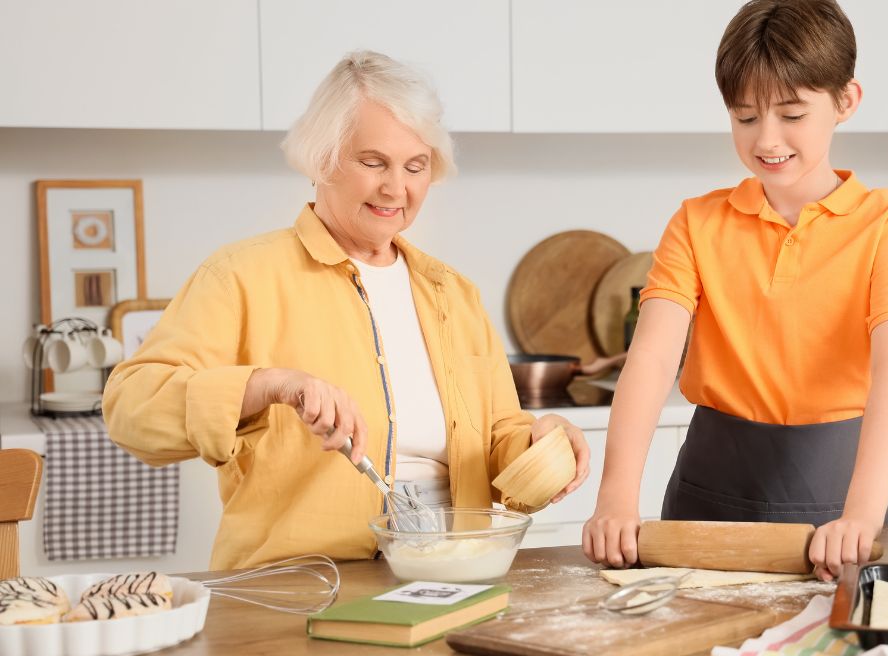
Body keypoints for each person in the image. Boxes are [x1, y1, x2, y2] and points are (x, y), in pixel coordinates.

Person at [102, 51, 590, 570]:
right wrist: (268, 385)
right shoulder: (241, 277)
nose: (395, 188)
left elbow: (496, 439)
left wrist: (537, 446)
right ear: (321, 159)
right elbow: (131, 409)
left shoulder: (453, 293)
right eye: (372, 161)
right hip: (304, 582)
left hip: (451, 571)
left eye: (415, 166)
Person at [582, 0, 888, 581]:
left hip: (841, 507)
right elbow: (650, 360)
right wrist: (616, 497)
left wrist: (861, 517)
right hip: (706, 500)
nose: (767, 139)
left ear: (846, 101)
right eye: (745, 118)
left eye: (792, 114)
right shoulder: (696, 222)